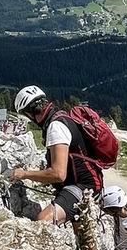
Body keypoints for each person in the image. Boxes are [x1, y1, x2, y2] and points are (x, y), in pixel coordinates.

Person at [6, 85, 104, 225]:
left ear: (30, 113)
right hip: (87, 184)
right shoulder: (61, 117)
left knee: (43, 221)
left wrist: (23, 174)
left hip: (83, 187)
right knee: (81, 234)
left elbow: (58, 174)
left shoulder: (55, 128)